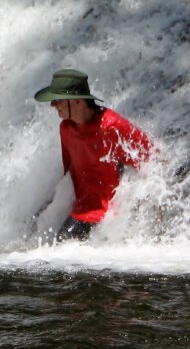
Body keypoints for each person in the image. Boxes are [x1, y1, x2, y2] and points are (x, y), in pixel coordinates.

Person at [34, 69, 154, 241]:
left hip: (110, 221)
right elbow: (68, 170)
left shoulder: (111, 126)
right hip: (82, 212)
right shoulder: (66, 129)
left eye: (57, 100)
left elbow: (152, 161)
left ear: (76, 101)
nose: (53, 105)